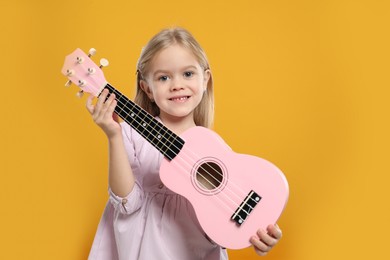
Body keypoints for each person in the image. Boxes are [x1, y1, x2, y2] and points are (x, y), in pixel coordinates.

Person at [86, 27, 282, 260]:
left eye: (188, 74)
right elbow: (127, 204)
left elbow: (230, 215)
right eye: (163, 77)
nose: (177, 85)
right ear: (147, 88)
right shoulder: (130, 134)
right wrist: (113, 135)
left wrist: (259, 233)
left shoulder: (212, 146)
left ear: (205, 79)